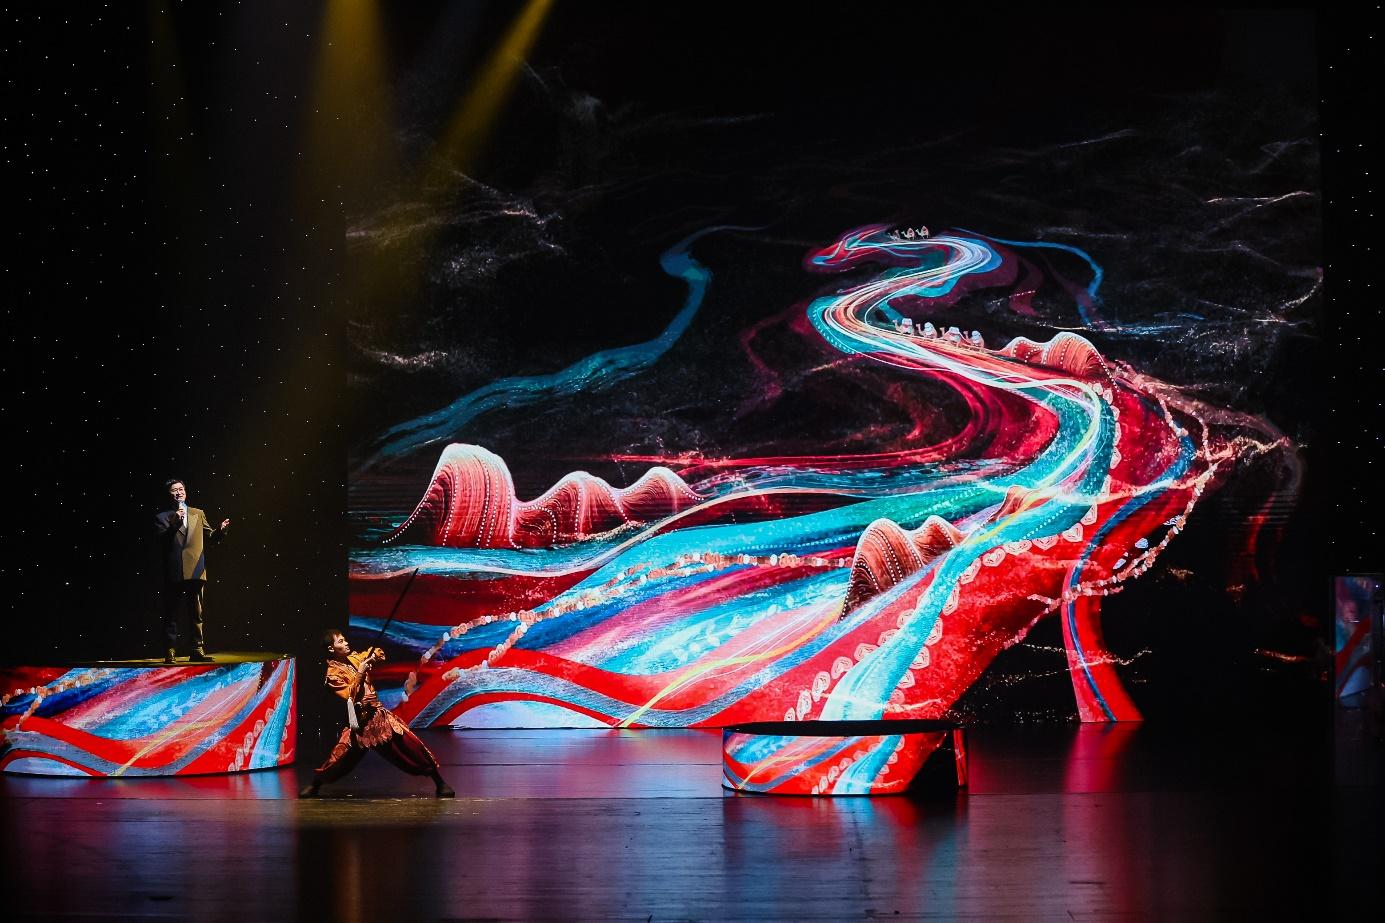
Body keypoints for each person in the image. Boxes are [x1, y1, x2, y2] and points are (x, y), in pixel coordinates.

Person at [299, 629, 455, 798]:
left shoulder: (354, 658)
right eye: (341, 641)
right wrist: (360, 672)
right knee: (341, 757)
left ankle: (439, 782)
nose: (346, 643)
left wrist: (372, 657)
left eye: (345, 639)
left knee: (410, 744)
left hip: (378, 716)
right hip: (360, 723)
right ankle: (315, 784)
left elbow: (378, 652)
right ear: (331, 649)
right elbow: (350, 695)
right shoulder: (332, 675)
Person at [154, 478, 230, 664]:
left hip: (195, 569)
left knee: (196, 613)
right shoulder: (162, 517)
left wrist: (220, 531)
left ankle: (197, 649)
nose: (179, 492)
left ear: (185, 492)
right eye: (174, 490)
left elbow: (210, 537)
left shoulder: (198, 513)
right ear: (169, 495)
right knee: (172, 612)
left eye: (181, 489)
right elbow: (161, 540)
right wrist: (175, 522)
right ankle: (170, 650)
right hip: (174, 571)